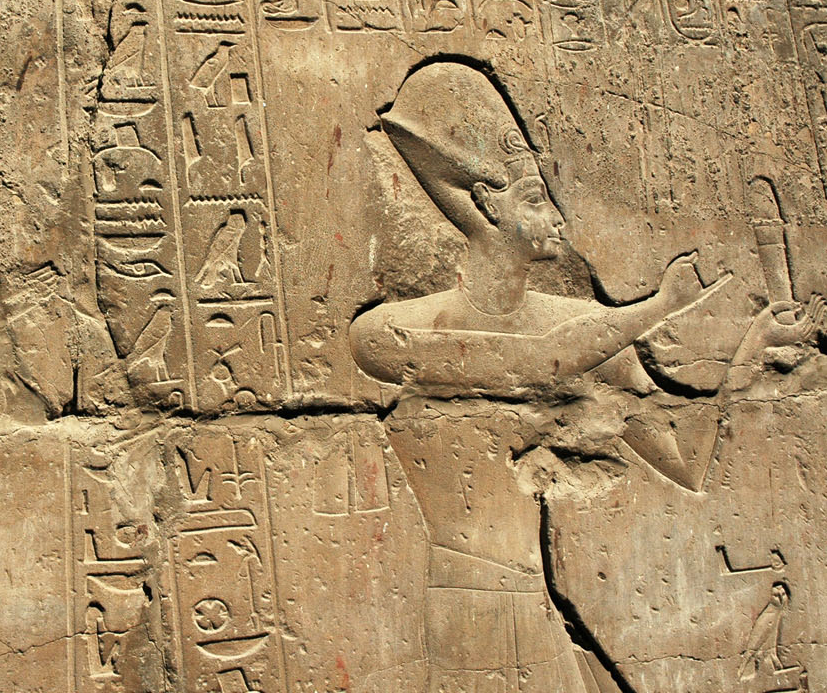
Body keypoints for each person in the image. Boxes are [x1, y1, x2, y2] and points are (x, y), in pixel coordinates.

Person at [349, 61, 823, 693]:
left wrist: (748, 358)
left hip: (532, 601)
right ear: (485, 202)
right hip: (470, 606)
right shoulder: (387, 331)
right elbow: (525, 363)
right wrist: (657, 308)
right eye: (534, 200)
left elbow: (684, 462)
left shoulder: (590, 330)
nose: (558, 218)